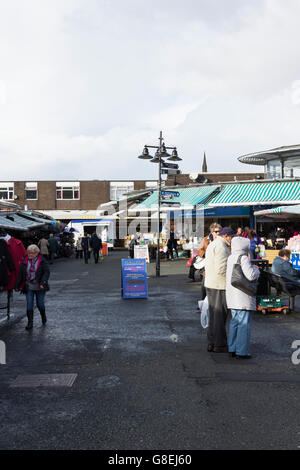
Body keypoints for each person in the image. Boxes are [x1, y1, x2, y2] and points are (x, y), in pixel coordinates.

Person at [226, 237, 260, 359]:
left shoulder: (230, 258)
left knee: (234, 322)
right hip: (242, 296)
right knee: (244, 324)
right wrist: (257, 271)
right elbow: (250, 276)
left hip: (232, 296)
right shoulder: (244, 258)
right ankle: (242, 351)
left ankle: (232, 348)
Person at [204, 227, 235, 353]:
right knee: (219, 316)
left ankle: (212, 342)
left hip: (211, 283)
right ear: (226, 236)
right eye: (232, 237)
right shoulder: (221, 247)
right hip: (219, 285)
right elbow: (221, 269)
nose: (232, 240)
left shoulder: (213, 244)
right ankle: (219, 344)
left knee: (214, 316)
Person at [15, 244, 50, 330]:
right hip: (29, 286)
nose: (30, 254)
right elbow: (20, 274)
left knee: (40, 304)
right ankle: (30, 323)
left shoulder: (42, 261)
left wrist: (43, 283)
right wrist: (17, 285)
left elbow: (46, 272)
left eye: (33, 253)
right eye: (29, 252)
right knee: (29, 304)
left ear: (37, 253)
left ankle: (43, 316)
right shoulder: (24, 261)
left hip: (40, 286)